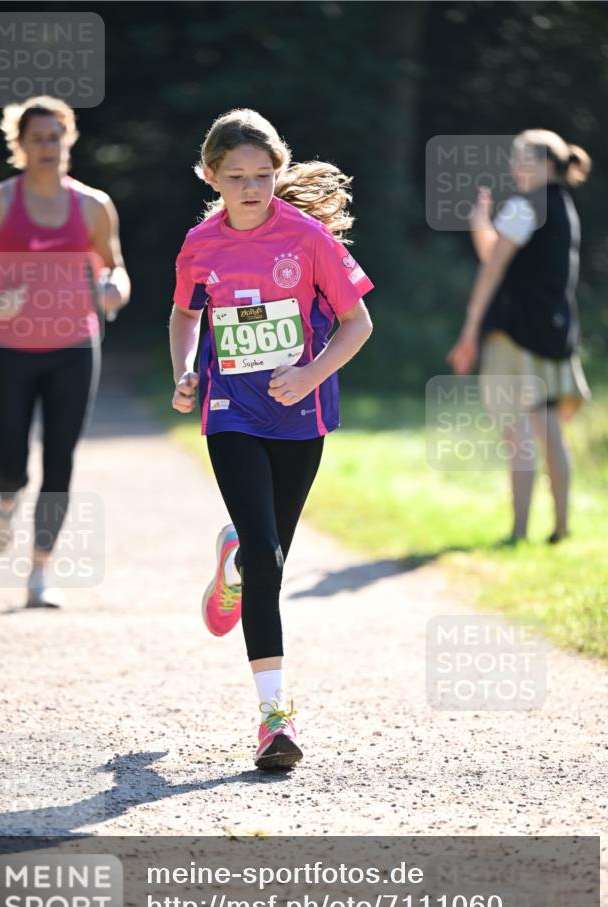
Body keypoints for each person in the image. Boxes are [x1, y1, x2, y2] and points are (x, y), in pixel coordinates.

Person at [169, 108, 374, 769]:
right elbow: (183, 312)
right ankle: (274, 720)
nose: (252, 189)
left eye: (263, 175)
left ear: (277, 173)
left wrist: (310, 372)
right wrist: (183, 370)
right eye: (236, 177)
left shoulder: (308, 238)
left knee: (267, 557)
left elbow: (356, 323)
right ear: (211, 176)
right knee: (268, 556)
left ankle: (232, 561)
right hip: (230, 409)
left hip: (298, 414)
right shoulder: (200, 243)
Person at [0, 95, 130, 606]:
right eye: (37, 139)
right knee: (13, 461)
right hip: (10, 349)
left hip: (75, 347)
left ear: (68, 141)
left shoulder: (93, 205)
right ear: (20, 146)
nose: (47, 147)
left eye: (56, 137)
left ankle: (38, 574)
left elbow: (115, 268)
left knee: (60, 460)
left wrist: (114, 290)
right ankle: (7, 499)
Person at [447, 128, 592, 544]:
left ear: (547, 163)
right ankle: (562, 527)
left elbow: (492, 267)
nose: (514, 166)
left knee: (517, 434)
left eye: (522, 157)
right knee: (548, 429)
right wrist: (482, 227)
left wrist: (471, 329)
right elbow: (502, 256)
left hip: (514, 335)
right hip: (554, 334)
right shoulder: (563, 205)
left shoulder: (524, 206)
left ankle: (518, 532)